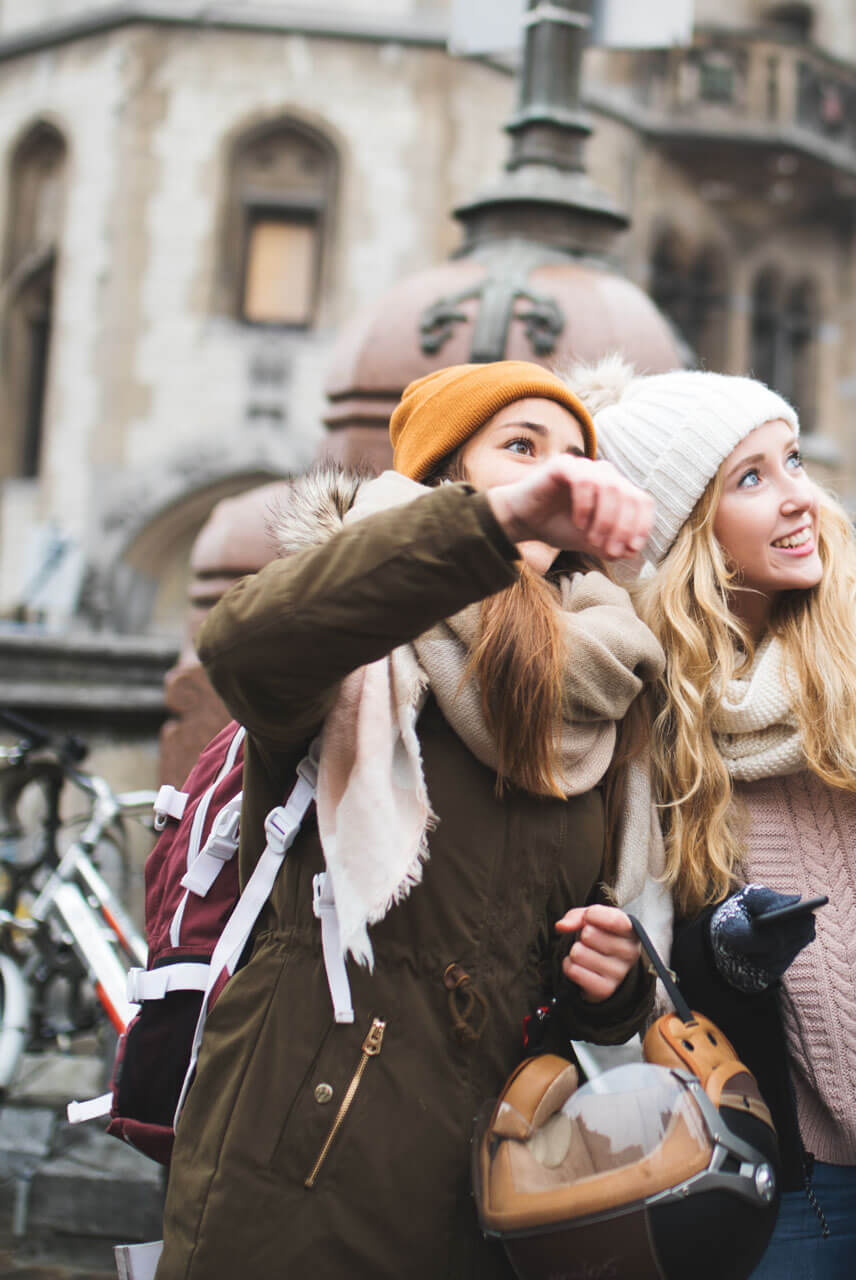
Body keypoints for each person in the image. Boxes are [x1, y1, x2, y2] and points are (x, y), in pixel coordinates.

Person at [160, 362, 665, 1279]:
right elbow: (241, 646)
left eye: (574, 456)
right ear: (445, 476)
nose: (558, 472)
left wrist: (614, 984)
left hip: (497, 1181)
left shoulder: (604, 677)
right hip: (310, 1163)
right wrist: (492, 527)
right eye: (521, 447)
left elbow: (553, 948)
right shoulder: (361, 634)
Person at [569, 362, 856, 1279]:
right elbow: (643, 943)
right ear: (685, 530)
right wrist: (729, 954)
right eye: (751, 477)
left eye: (793, 461)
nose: (800, 498)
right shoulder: (637, 694)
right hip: (780, 1158)